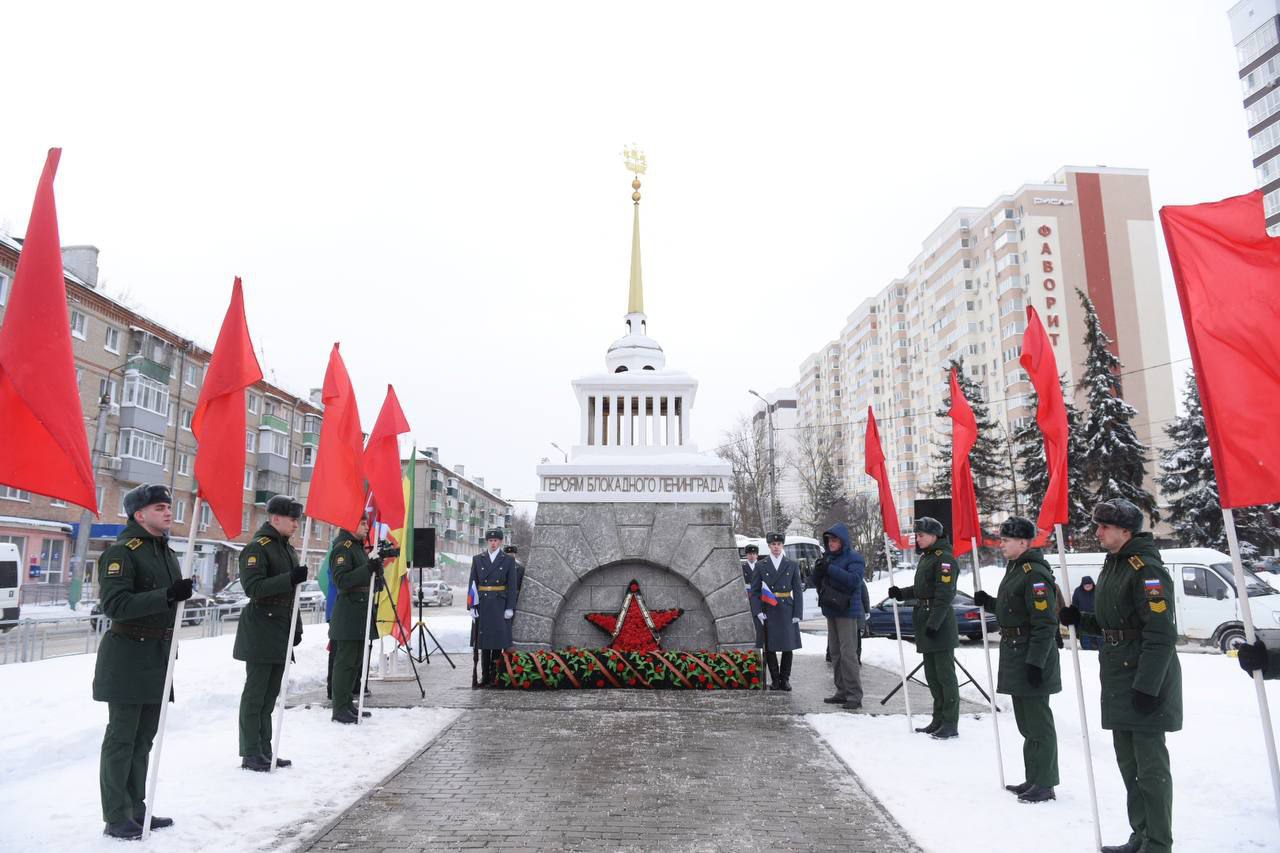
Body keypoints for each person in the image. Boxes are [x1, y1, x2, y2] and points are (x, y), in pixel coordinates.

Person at [1060, 498, 1181, 853]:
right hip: (1117, 675)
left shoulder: (1146, 570)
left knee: (1151, 771)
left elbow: (1160, 634)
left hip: (1145, 678)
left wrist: (1147, 687)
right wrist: (1080, 620)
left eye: (1104, 527)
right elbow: (1115, 622)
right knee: (1130, 768)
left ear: (1126, 531)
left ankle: (1158, 844)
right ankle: (1140, 836)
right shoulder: (1114, 565)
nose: (1096, 532)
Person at [92, 484, 187, 839]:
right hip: (128, 655)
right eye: (160, 507)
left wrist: (177, 597)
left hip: (158, 656)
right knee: (122, 738)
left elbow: (166, 602)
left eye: (168, 506)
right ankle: (116, 815)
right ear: (139, 514)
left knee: (144, 738)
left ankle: (137, 808)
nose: (168, 512)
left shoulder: (165, 552)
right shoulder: (122, 552)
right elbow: (115, 605)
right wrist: (166, 596)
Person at [973, 516, 1061, 803]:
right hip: (1016, 653)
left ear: (1023, 542)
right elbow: (1014, 609)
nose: (1001, 545)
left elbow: (1045, 623)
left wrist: (1036, 662)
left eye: (1006, 540)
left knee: (1038, 724)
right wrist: (990, 603)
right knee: (1026, 723)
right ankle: (1033, 777)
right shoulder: (1016, 570)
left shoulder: (1034, 573)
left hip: (1031, 656)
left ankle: (1045, 782)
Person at [233, 495, 306, 771]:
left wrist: (296, 628)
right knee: (256, 694)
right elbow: (254, 588)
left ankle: (264, 748)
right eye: (292, 519)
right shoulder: (257, 548)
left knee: (269, 696)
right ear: (275, 518)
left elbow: (293, 597)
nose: (296, 524)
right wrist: (289, 578)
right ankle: (251, 751)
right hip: (262, 629)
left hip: (280, 630)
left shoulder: (286, 548)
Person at [888, 516, 960, 739]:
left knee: (945, 677)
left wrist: (934, 623)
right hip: (926, 621)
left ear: (934, 536)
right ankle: (938, 719)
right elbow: (922, 588)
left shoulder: (944, 559)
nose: (917, 539)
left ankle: (950, 722)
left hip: (939, 624)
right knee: (932, 676)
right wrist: (902, 593)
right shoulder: (927, 558)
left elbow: (944, 595)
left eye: (920, 535)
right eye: (916, 535)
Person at [329, 518, 381, 724]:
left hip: (360, 610)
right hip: (349, 612)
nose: (367, 527)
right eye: (362, 523)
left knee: (355, 663)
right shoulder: (343, 548)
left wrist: (375, 571)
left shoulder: (358, 548)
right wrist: (367, 568)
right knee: (345, 663)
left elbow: (364, 578)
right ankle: (339, 707)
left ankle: (347, 703)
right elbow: (342, 581)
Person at [817, 523, 865, 711]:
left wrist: (829, 568)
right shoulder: (828, 557)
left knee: (848, 655)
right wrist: (818, 569)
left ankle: (854, 695)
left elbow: (854, 581)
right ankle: (842, 691)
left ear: (842, 541)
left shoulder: (854, 558)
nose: (830, 543)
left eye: (834, 540)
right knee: (835, 654)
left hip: (847, 611)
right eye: (829, 540)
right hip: (831, 609)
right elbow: (818, 580)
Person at [749, 533, 804, 690]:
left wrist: (797, 613)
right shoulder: (761, 565)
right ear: (769, 546)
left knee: (788, 645)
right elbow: (755, 591)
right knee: (770, 646)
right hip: (768, 608)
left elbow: (798, 590)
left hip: (787, 608)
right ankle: (774, 680)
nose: (776, 547)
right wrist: (758, 611)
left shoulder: (791, 564)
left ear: (783, 546)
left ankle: (784, 679)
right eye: (773, 544)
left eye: (779, 544)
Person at [469, 529, 521, 686]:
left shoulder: (508, 560)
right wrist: (472, 605)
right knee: (484, 643)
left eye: (496, 541)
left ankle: (494, 677)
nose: (493, 543)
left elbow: (511, 586)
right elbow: (472, 583)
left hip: (500, 604)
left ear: (501, 542)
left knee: (498, 642)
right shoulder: (478, 559)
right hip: (483, 604)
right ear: (487, 542)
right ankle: (484, 677)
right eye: (491, 541)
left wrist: (510, 607)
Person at [741, 543, 764, 649]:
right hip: (747, 598)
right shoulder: (742, 568)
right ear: (746, 555)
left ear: (757, 555)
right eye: (749, 554)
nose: (752, 556)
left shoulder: (762, 566)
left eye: (754, 554)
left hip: (760, 598)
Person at [1072, 576, 1099, 650]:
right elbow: (1075, 604)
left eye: (1089, 584)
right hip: (1083, 619)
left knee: (1099, 639)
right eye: (1085, 585)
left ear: (1092, 584)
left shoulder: (1098, 590)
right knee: (1086, 641)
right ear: (1082, 585)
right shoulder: (1077, 591)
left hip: (1097, 618)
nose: (1087, 586)